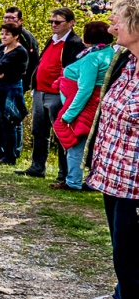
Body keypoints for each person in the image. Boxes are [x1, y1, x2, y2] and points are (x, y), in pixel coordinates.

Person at [82, 0, 139, 299]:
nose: (112, 24)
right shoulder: (126, 62)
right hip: (113, 178)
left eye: (119, 18)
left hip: (135, 186)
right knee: (123, 258)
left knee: (134, 262)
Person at [17, 8, 84, 181]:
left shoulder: (74, 43)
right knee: (39, 131)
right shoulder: (52, 40)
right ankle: (37, 166)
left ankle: (65, 172)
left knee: (61, 133)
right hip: (41, 91)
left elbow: (74, 69)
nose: (53, 25)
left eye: (58, 22)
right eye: (51, 22)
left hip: (57, 94)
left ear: (70, 23)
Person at [51, 21, 115, 191]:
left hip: (84, 107)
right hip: (96, 105)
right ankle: (92, 180)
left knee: (75, 143)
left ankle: (73, 181)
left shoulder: (94, 57)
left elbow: (85, 89)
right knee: (94, 144)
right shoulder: (108, 52)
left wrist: (69, 114)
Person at [0, 23, 30, 165]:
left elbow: (0, 68)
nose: (3, 37)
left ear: (16, 36)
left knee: (9, 122)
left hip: (11, 91)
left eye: (7, 34)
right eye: (2, 34)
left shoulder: (20, 52)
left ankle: (10, 156)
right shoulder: (2, 48)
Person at [2, 7, 41, 92]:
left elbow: (32, 62)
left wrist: (25, 84)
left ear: (20, 20)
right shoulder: (6, 35)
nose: (8, 20)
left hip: (16, 83)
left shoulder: (24, 38)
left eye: (12, 18)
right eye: (6, 18)